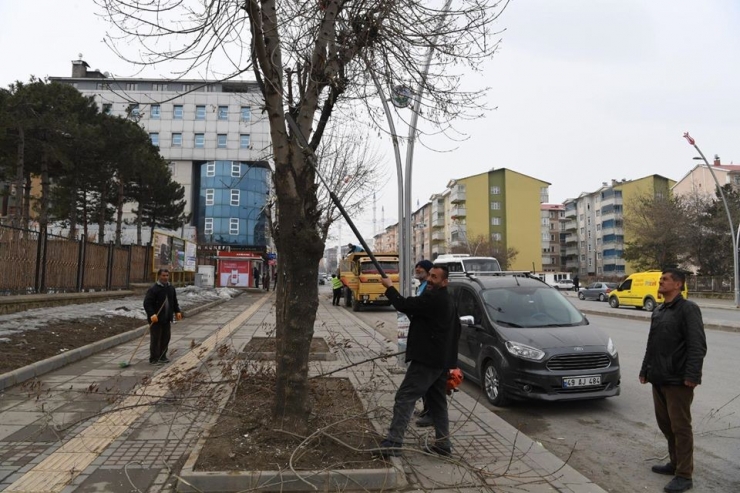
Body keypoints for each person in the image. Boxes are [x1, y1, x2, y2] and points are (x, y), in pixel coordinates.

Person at [377, 265, 460, 458]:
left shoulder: (434, 298)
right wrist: (449, 362)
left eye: (435, 277)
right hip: (440, 361)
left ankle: (393, 442)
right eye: (430, 275)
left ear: (445, 282)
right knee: (437, 402)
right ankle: (443, 444)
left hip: (427, 361)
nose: (430, 279)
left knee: (405, 397)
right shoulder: (446, 299)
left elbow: (404, 305)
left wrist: (389, 287)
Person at [639, 268, 707, 493]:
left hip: (678, 380)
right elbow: (652, 343)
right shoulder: (659, 310)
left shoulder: (688, 309)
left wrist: (692, 375)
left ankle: (684, 475)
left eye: (665, 280)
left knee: (681, 427)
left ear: (678, 284)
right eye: (661, 279)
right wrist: (645, 369)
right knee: (666, 425)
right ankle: (674, 463)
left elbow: (697, 345)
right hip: (658, 377)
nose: (660, 282)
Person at [412, 259, 435, 427]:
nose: (418, 269)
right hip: (423, 339)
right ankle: (427, 410)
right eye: (417, 267)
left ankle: (431, 413)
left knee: (428, 381)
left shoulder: (429, 287)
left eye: (421, 268)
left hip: (430, 342)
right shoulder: (421, 286)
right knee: (424, 381)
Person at [143, 268, 182, 365]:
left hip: (166, 318)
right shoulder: (154, 289)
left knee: (166, 338)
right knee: (156, 339)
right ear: (159, 276)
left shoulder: (170, 288)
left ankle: (162, 356)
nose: (165, 277)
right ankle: (154, 358)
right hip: (156, 319)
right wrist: (152, 314)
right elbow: (147, 303)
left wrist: (177, 311)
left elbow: (174, 301)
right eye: (163, 275)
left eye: (167, 275)